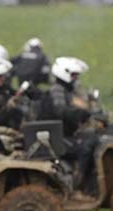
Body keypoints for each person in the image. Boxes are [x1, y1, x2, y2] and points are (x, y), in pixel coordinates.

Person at [39, 57, 98, 200]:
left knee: (94, 138)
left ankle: (91, 187)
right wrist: (82, 113)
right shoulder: (57, 90)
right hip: (56, 137)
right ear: (64, 73)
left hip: (61, 134)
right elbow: (62, 111)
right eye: (73, 75)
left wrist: (85, 114)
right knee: (86, 147)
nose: (76, 79)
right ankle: (78, 186)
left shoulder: (65, 90)